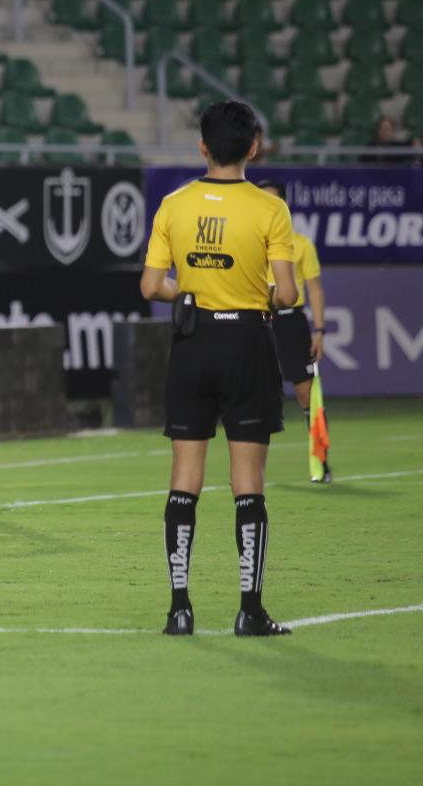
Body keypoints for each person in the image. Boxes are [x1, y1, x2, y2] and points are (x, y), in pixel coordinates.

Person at [139, 101, 298, 637]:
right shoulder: (270, 209)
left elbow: (151, 287)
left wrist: (186, 290)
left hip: (192, 341)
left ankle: (179, 609)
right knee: (247, 483)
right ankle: (249, 610)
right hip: (247, 342)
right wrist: (265, 294)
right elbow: (289, 292)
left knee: (184, 479)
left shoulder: (173, 205)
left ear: (202, 147)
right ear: (254, 147)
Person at [256, 181, 330, 483]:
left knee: (306, 393)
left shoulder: (300, 244)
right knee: (256, 394)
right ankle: (254, 470)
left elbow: (314, 288)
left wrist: (320, 329)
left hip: (290, 320)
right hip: (258, 319)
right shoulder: (249, 242)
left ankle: (320, 463)